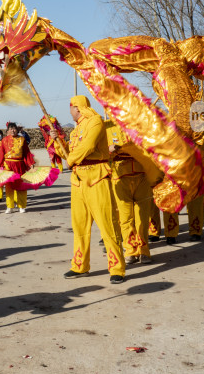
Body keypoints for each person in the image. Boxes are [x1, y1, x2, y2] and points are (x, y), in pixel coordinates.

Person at [52, 96, 125, 284]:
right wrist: (56, 141)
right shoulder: (76, 130)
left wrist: (70, 160)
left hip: (97, 178)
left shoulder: (95, 121)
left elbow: (89, 146)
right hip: (77, 181)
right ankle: (80, 265)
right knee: (79, 227)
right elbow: (69, 152)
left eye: (70, 108)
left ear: (77, 107)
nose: (70, 111)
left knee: (107, 225)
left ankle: (117, 268)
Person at [106, 120, 152, 265]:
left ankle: (144, 251)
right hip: (120, 177)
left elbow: (153, 146)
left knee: (143, 218)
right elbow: (99, 151)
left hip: (142, 176)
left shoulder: (142, 123)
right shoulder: (106, 128)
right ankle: (130, 250)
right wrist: (110, 149)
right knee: (126, 218)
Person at [0, 123, 34, 213]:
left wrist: (31, 164)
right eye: (11, 129)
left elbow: (27, 153)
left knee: (21, 185)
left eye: (14, 129)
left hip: (19, 165)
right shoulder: (4, 140)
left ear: (17, 130)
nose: (13, 130)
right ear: (8, 130)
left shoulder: (22, 140)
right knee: (9, 187)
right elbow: (1, 153)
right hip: (8, 166)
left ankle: (21, 206)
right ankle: (10, 206)